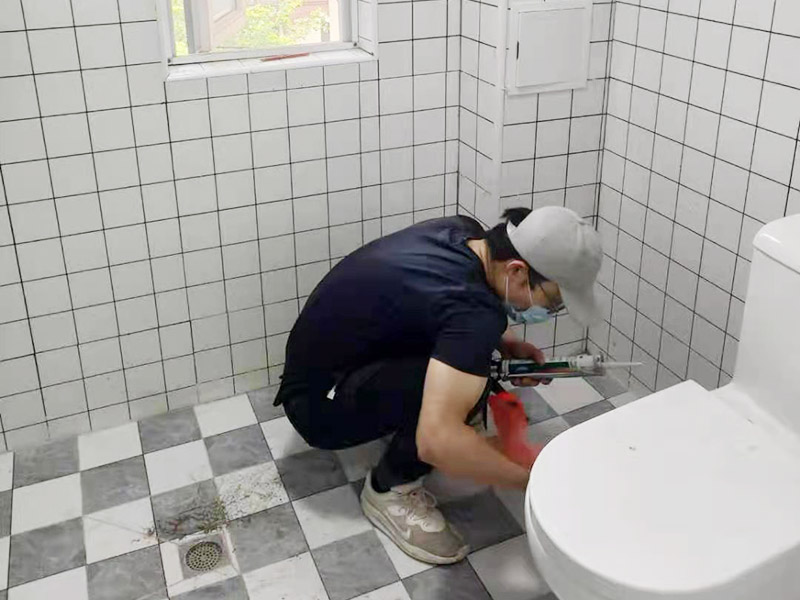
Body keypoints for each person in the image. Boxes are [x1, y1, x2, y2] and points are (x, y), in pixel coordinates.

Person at [273, 205, 603, 565]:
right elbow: (437, 443)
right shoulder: (473, 314)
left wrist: (504, 342)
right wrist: (532, 482)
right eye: (552, 302)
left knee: (471, 365)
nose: (549, 311)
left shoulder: (466, 233)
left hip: (327, 367)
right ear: (516, 271)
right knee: (460, 392)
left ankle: (414, 412)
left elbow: (440, 304)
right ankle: (390, 488)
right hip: (319, 409)